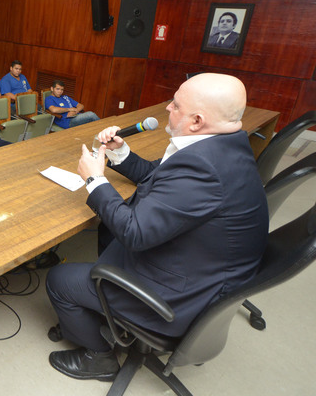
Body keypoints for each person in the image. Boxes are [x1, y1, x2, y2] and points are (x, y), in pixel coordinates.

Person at [45, 73, 268, 382]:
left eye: (175, 105)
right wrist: (119, 152)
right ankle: (104, 304)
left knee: (59, 279)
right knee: (108, 229)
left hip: (178, 299)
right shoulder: (222, 147)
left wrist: (94, 180)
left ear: (197, 121)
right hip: (202, 268)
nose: (167, 108)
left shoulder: (202, 168)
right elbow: (158, 176)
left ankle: (99, 358)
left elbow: (135, 233)